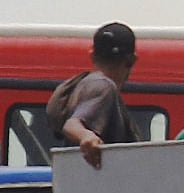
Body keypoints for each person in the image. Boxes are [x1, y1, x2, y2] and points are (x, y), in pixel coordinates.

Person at [46, 22, 142, 168]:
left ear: (92, 56)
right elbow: (72, 124)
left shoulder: (80, 85)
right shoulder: (103, 87)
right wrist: (86, 136)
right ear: (132, 60)